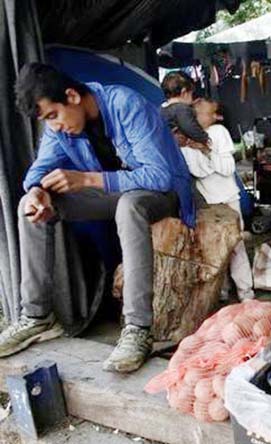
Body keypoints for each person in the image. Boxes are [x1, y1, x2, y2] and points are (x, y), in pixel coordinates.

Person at [0, 63, 195, 372]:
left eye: (54, 115)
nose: (54, 126)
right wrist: (38, 191)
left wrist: (88, 180)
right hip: (115, 195)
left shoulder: (125, 104)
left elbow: (159, 176)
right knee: (30, 205)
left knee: (129, 206)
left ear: (72, 96)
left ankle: (137, 329)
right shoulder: (59, 129)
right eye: (46, 120)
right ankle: (37, 316)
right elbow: (39, 169)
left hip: (161, 194)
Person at [180, 98, 254, 300]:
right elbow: (199, 171)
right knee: (213, 248)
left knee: (235, 246)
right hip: (209, 203)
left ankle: (246, 292)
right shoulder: (185, 142)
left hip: (229, 197)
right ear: (196, 116)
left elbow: (228, 168)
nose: (215, 117)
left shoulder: (219, 132)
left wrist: (205, 150)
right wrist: (211, 157)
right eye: (210, 113)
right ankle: (220, 291)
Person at [159, 71, 209, 152]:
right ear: (184, 92)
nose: (192, 98)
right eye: (192, 93)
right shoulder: (181, 109)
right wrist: (204, 137)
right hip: (181, 149)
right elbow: (190, 127)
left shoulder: (162, 108)